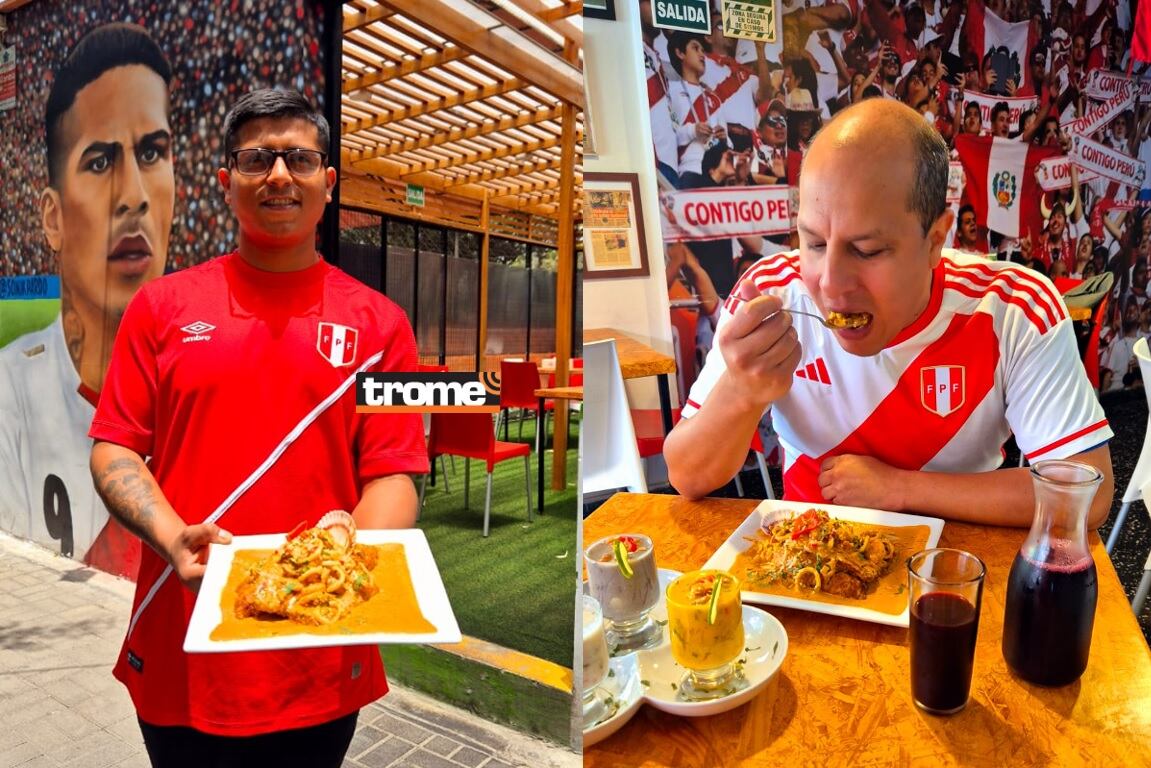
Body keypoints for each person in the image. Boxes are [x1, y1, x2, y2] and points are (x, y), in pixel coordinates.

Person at [88, 89, 428, 766]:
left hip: (320, 651)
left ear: (327, 183)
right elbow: (115, 446)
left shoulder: (383, 325)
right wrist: (168, 536)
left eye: (298, 159)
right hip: (182, 635)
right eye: (257, 158)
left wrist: (343, 549)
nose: (279, 174)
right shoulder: (159, 308)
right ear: (225, 182)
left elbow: (395, 470)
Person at [664, 98, 1114, 529]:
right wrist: (742, 391)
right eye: (814, 244)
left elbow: (1087, 492)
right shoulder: (771, 297)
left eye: (867, 250)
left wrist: (900, 489)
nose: (830, 283)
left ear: (937, 239)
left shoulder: (1012, 307)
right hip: (806, 557)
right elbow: (687, 475)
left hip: (956, 573)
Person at [0, 23, 173, 575]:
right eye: (100, 162)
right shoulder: (10, 392)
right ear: (52, 217)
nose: (134, 197)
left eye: (152, 153)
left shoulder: (217, 378)